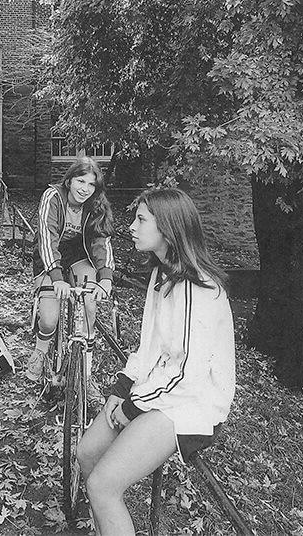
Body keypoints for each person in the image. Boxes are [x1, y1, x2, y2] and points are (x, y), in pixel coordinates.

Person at [76, 187, 235, 535]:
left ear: (168, 228)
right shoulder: (161, 275)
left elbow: (189, 376)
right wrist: (122, 388)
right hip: (159, 389)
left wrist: (132, 408)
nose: (131, 226)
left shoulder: (199, 290)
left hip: (191, 406)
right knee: (87, 453)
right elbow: (149, 349)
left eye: (141, 219)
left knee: (103, 486)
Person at [25, 156, 115, 396]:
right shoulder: (52, 197)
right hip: (48, 257)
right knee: (49, 319)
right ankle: (41, 350)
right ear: (69, 180)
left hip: (78, 255)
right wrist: (56, 277)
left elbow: (100, 240)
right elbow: (46, 236)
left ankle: (85, 369)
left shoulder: (96, 204)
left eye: (91, 184)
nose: (84, 189)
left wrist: (105, 276)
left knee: (89, 304)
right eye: (80, 181)